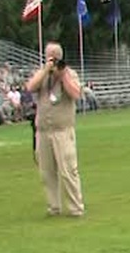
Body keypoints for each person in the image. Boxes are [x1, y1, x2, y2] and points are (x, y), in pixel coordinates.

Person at [24, 42, 86, 217]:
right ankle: (54, 206)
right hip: (43, 131)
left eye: (54, 57)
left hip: (62, 130)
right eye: (48, 57)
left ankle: (75, 207)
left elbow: (75, 94)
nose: (51, 61)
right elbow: (30, 87)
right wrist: (46, 70)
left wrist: (62, 74)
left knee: (68, 171)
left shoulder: (70, 73)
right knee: (47, 172)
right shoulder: (42, 74)